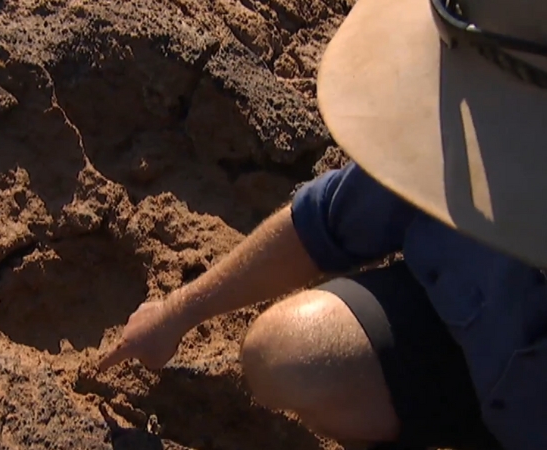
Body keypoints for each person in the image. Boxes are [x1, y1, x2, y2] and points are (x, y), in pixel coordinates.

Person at [96, 0, 547, 449]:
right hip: (472, 341)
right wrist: (177, 313)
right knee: (290, 353)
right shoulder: (468, 131)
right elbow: (327, 222)